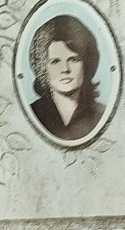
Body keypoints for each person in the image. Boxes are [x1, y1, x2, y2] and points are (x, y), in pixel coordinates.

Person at [27, 13, 105, 142]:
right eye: (55, 61)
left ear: (86, 64)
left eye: (73, 60)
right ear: (42, 68)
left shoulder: (102, 116)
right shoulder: (31, 114)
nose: (65, 69)